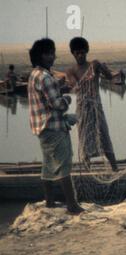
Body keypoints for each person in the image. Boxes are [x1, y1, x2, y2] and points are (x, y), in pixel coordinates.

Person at [27, 38, 84, 214]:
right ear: (42, 56)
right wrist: (66, 98)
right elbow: (58, 104)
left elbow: (46, 95)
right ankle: (72, 206)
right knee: (64, 164)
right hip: (54, 127)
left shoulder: (35, 74)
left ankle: (50, 202)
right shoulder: (45, 77)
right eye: (50, 53)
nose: (53, 56)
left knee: (48, 165)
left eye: (53, 53)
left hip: (42, 128)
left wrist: (59, 86)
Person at [66, 37, 118, 171]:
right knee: (84, 138)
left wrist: (103, 68)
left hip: (96, 107)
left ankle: (115, 169)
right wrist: (79, 81)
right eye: (77, 53)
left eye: (83, 52)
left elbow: (110, 77)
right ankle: (87, 170)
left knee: (104, 136)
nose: (80, 55)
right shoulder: (71, 70)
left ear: (86, 51)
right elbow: (74, 85)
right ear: (73, 53)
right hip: (83, 109)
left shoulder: (94, 65)